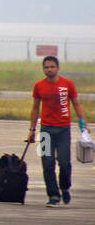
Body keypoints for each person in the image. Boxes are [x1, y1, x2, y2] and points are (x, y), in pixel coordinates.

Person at [26, 55, 86, 207]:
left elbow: (76, 104)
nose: (49, 69)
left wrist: (82, 123)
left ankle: (65, 187)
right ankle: (53, 195)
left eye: (52, 66)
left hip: (63, 130)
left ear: (58, 68)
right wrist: (32, 130)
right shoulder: (39, 86)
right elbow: (35, 108)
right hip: (45, 130)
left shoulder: (67, 84)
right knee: (47, 164)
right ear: (43, 69)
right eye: (46, 67)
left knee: (65, 163)